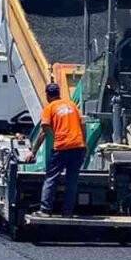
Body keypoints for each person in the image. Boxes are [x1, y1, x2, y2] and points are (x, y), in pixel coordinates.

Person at [24, 82, 86, 217]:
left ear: (47, 95)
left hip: (62, 148)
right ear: (59, 93)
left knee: (51, 178)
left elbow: (43, 131)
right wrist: (84, 143)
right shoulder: (72, 106)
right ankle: (68, 212)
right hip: (78, 147)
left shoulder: (50, 108)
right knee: (72, 180)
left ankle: (45, 210)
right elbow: (83, 124)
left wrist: (33, 152)